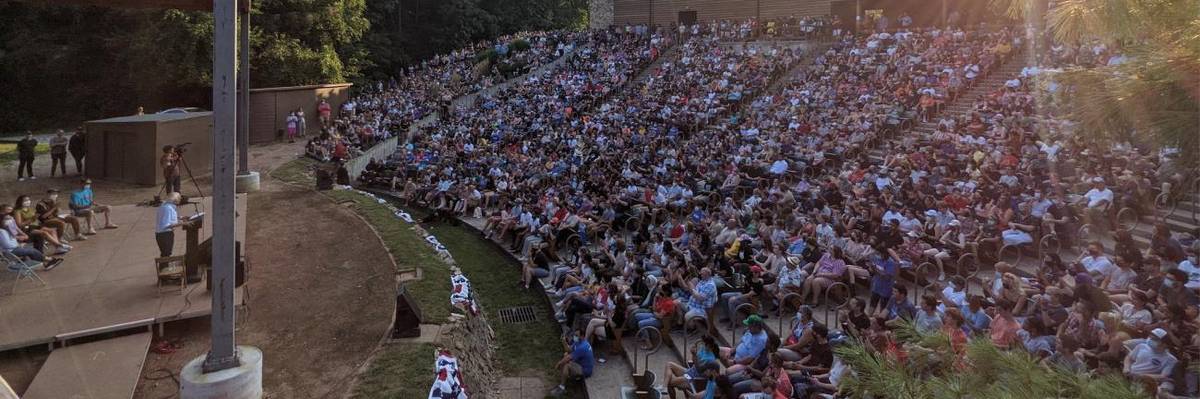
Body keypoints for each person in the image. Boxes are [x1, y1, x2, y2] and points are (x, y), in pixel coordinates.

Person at [1123, 328, 1177, 394]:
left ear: (1164, 344)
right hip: (1128, 375)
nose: (1150, 340)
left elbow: (1163, 376)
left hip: (1145, 382)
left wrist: (1141, 376)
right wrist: (1126, 368)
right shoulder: (1142, 346)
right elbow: (1129, 358)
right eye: (1150, 338)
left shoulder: (1170, 359)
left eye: (1154, 339)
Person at [550, 329, 593, 397]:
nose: (574, 337)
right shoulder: (578, 342)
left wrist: (559, 363)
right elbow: (568, 350)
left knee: (567, 365)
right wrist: (564, 341)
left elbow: (568, 358)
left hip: (585, 370)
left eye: (576, 335)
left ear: (582, 336)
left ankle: (562, 387)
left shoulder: (582, 347)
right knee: (566, 355)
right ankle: (566, 376)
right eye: (574, 335)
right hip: (580, 363)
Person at [155, 192, 186, 258]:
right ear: (175, 200)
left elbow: (168, 217)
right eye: (179, 198)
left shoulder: (165, 205)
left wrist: (180, 217)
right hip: (165, 235)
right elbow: (166, 225)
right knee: (166, 255)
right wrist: (183, 223)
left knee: (165, 254)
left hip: (161, 234)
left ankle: (164, 267)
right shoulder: (168, 208)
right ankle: (164, 268)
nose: (180, 200)